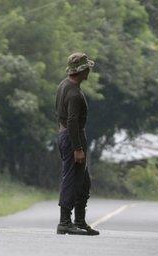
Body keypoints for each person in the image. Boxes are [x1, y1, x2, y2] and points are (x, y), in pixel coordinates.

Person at [55, 52, 99, 236]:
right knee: (71, 180)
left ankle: (79, 221)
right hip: (73, 138)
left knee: (83, 182)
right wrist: (78, 148)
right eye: (87, 67)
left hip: (67, 135)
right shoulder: (73, 92)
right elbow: (72, 121)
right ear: (80, 70)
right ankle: (64, 222)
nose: (89, 70)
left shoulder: (63, 85)